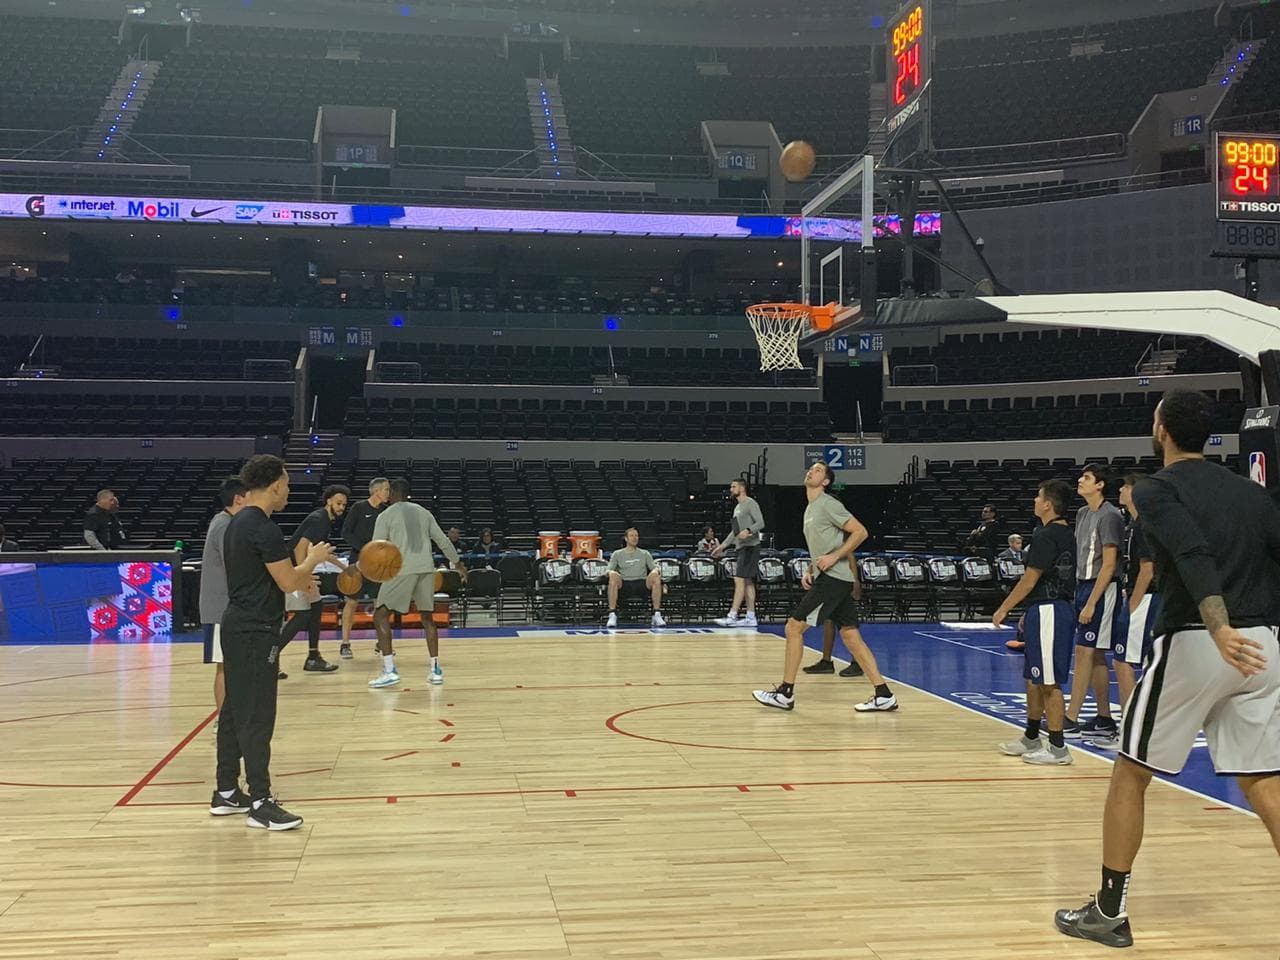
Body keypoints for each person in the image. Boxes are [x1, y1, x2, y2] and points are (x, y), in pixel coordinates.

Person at [1055, 390, 1280, 948]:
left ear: (1161, 429)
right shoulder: (1253, 494)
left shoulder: (1157, 489)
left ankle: (1108, 913)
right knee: (1263, 780)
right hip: (1266, 645)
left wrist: (1219, 625)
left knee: (1131, 771)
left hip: (1203, 638)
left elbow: (1190, 553)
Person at [211, 454, 335, 831]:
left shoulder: (237, 522)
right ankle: (261, 800)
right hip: (254, 630)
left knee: (234, 710)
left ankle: (227, 792)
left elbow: (266, 577)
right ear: (276, 484)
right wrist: (312, 560)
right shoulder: (261, 526)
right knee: (257, 716)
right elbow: (288, 581)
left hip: (237, 624)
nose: (289, 490)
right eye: (287, 483)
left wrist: (299, 576)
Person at [752, 462, 896, 712]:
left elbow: (860, 532)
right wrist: (811, 569)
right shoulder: (811, 508)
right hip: (829, 578)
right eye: (810, 468)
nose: (810, 471)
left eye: (818, 470)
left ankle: (786, 692)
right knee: (851, 636)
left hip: (835, 579)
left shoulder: (829, 504)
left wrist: (833, 557)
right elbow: (822, 546)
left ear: (826, 481)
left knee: (794, 627)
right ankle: (883, 694)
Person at [993, 479, 1078, 765]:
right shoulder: (1066, 532)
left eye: (1038, 497)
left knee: (1048, 681)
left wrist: (1004, 608)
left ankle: (1057, 747)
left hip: (1050, 610)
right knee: (1033, 677)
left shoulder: (1045, 535)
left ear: (1048, 505)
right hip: (1046, 608)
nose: (1034, 501)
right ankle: (1031, 736)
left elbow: (1030, 580)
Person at [368, 478, 467, 689]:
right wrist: (458, 564)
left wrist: (371, 571)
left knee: (380, 615)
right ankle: (435, 669)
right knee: (427, 617)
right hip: (426, 569)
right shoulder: (423, 512)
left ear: (393, 494)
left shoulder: (386, 515)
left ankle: (389, 670)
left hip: (402, 569)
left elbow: (377, 548)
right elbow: (443, 540)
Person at [1090, 472, 1160, 751]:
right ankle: (1133, 729)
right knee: (1126, 661)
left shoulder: (1144, 524)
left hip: (1145, 598)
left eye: (1126, 486)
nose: (1121, 489)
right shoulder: (1132, 523)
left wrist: (1133, 603)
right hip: (1137, 597)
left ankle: (1131, 732)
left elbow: (1148, 568)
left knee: (1125, 663)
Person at [1064, 463, 1125, 739]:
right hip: (1083, 585)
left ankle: (1071, 717)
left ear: (1100, 484)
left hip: (1103, 588)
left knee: (1085, 651)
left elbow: (1109, 564)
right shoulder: (1081, 513)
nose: (1080, 480)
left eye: (1086, 477)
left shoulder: (1110, 516)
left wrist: (1091, 602)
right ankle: (1103, 717)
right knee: (1095, 652)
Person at [280, 484, 349, 673]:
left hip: (297, 568)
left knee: (316, 606)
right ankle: (270, 657)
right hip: (291, 569)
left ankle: (313, 657)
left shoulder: (324, 520)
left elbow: (323, 553)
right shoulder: (319, 519)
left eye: (344, 504)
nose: (342, 507)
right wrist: (305, 577)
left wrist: (346, 569)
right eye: (338, 503)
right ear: (328, 501)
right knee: (302, 614)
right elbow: (299, 548)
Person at [200, 477, 248, 719]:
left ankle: (230, 718)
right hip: (220, 608)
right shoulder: (225, 525)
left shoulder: (226, 522)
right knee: (225, 667)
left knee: (232, 667)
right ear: (239, 498)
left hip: (226, 607)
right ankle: (223, 720)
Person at [339, 477, 390, 658]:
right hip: (358, 562)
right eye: (386, 489)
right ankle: (345, 643)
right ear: (376, 491)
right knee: (351, 602)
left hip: (378, 564)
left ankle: (381, 642)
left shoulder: (386, 512)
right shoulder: (358, 508)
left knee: (380, 603)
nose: (388, 493)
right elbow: (345, 532)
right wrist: (364, 548)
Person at [711, 479, 765, 627]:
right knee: (747, 582)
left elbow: (761, 522)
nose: (731, 489)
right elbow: (734, 532)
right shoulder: (737, 508)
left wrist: (748, 531)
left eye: (734, 486)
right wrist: (722, 546)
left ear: (742, 488)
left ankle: (732, 615)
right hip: (741, 548)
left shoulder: (750, 503)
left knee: (739, 579)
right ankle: (750, 616)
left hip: (750, 546)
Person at [802, 556, 865, 677]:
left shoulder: (841, 539)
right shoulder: (823, 541)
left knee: (848, 625)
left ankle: (857, 662)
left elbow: (850, 555)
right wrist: (809, 571)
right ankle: (826, 661)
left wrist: (855, 580)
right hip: (830, 581)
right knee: (829, 620)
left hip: (842, 581)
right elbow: (818, 555)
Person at [605, 528, 665, 628]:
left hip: (642, 583)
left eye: (636, 535)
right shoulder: (617, 554)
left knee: (655, 577)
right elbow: (608, 570)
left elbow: (654, 567)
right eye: (632, 536)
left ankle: (657, 614)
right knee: (613, 577)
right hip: (625, 583)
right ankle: (612, 614)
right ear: (626, 538)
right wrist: (612, 572)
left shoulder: (645, 553)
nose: (635, 538)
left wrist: (655, 571)